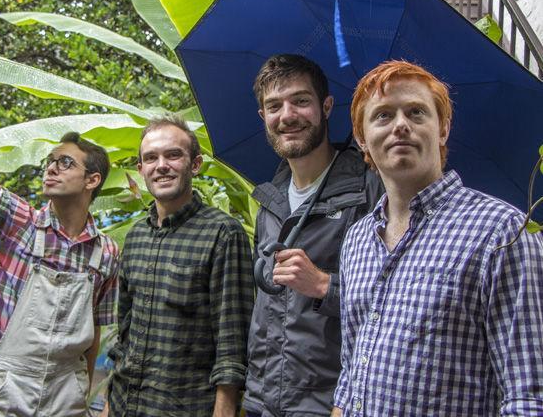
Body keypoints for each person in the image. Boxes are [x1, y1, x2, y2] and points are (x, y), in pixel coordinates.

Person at [332, 60, 543, 416]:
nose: (401, 125)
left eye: (416, 113)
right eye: (382, 116)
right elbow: (352, 374)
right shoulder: (356, 240)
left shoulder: (501, 231)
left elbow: (529, 396)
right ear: (362, 138)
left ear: (442, 129)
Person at [0, 38, 119, 417]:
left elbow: (94, 335)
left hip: (68, 390)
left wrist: (84, 392)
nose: (51, 168)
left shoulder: (107, 253)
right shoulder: (16, 221)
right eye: (49, 161)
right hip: (7, 385)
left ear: (92, 180)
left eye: (64, 163)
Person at [244, 54, 383, 416]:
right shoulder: (270, 201)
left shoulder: (371, 191)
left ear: (326, 106)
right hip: (263, 400)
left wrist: (324, 285)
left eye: (301, 101)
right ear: (263, 117)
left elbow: (398, 298)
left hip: (331, 402)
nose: (287, 115)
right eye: (274, 106)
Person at [104, 115, 254, 416]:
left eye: (173, 155)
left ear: (194, 164)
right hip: (126, 404)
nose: (161, 165)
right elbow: (124, 334)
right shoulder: (136, 236)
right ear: (141, 169)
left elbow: (232, 345)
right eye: (151, 158)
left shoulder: (223, 233)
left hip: (183, 407)